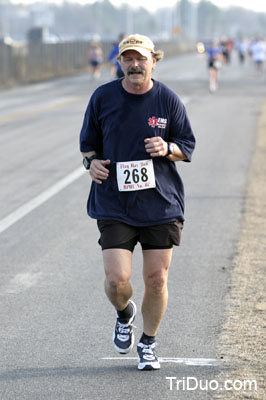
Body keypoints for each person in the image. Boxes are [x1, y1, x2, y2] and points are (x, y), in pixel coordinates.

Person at [79, 33, 196, 371]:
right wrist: (92, 163)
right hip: (114, 202)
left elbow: (186, 143)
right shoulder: (103, 97)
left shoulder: (168, 100)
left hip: (160, 204)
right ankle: (124, 313)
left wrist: (168, 149)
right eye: (127, 59)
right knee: (117, 281)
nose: (134, 64)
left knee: (156, 279)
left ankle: (148, 342)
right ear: (119, 63)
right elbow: (88, 146)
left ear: (153, 61)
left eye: (140, 58)